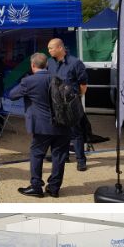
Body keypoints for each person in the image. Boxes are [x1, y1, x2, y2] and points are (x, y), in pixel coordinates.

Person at [9, 52, 71, 198]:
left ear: (32, 65)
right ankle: (54, 188)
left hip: (42, 127)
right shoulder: (59, 79)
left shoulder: (28, 81)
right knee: (59, 157)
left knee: (37, 154)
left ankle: (36, 186)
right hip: (63, 125)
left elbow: (12, 95)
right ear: (47, 65)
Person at [47, 38, 89, 171]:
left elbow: (83, 84)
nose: (49, 51)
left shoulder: (75, 63)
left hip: (71, 105)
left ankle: (81, 160)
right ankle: (63, 156)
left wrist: (77, 98)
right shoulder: (50, 63)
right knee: (60, 132)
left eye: (51, 48)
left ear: (60, 48)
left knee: (75, 132)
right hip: (56, 105)